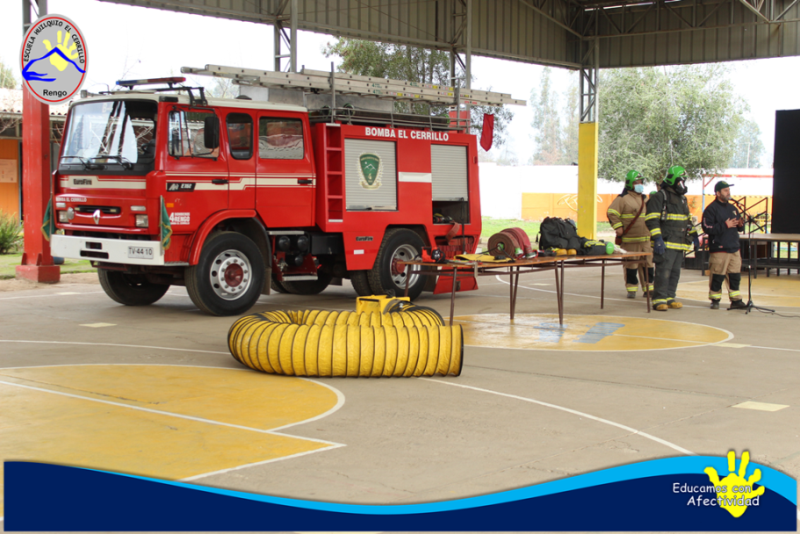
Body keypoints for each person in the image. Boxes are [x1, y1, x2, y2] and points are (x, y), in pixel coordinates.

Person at [645, 165, 699, 311]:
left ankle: (670, 297)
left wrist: (693, 234)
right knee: (663, 271)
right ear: (674, 180)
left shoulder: (682, 199)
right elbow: (651, 219)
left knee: (675, 272)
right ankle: (659, 299)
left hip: (679, 243)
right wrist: (657, 239)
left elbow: (687, 219)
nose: (683, 184)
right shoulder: (659, 197)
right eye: (681, 181)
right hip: (666, 243)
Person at [607, 170, 654, 298]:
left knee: (648, 265)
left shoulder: (645, 198)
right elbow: (611, 212)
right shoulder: (622, 199)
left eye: (641, 182)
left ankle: (649, 289)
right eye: (636, 182)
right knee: (631, 266)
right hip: (630, 240)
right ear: (629, 184)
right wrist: (619, 228)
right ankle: (631, 289)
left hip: (645, 239)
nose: (639, 184)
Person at [701, 181, 747, 310]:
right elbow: (707, 227)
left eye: (728, 190)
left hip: (734, 247)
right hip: (719, 248)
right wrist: (724, 225)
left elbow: (738, 227)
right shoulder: (711, 209)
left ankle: (736, 300)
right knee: (717, 275)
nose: (728, 192)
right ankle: (715, 299)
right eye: (725, 190)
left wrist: (740, 225)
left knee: (735, 275)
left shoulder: (733, 208)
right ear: (718, 193)